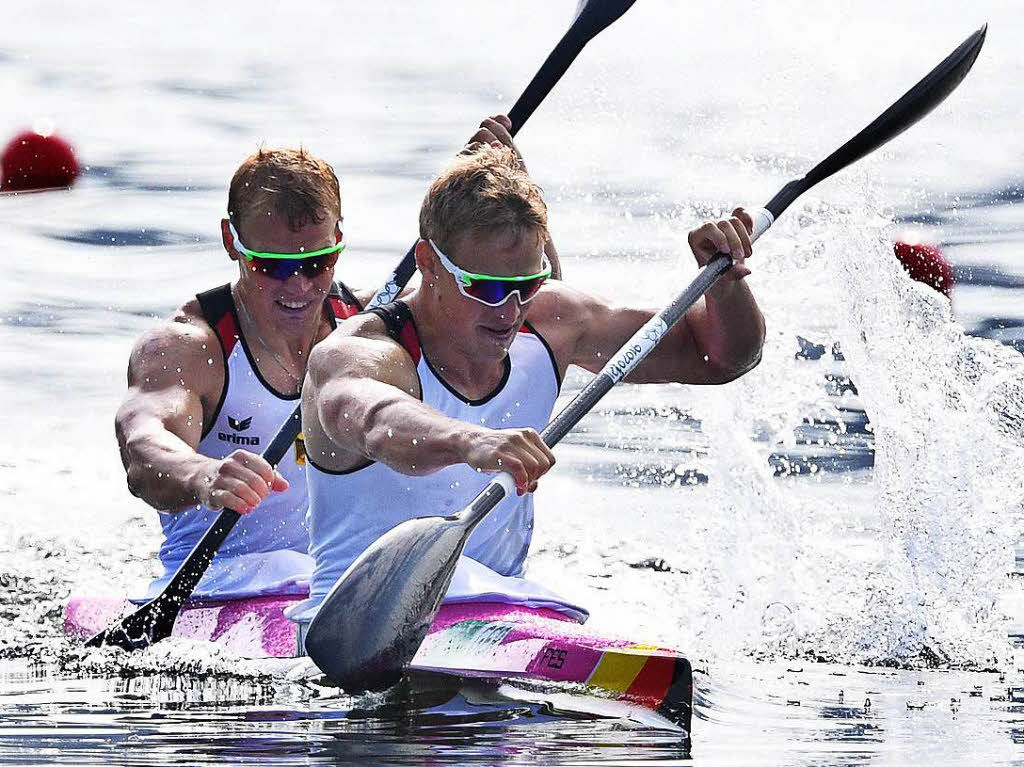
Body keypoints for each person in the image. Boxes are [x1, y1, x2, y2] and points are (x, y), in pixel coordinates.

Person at [294, 144, 765, 623]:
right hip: (352, 623)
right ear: (428, 263)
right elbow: (376, 422)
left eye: (529, 284)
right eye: (487, 287)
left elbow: (721, 358)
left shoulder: (553, 321)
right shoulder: (361, 352)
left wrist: (726, 283)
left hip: (502, 612)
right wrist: (471, 440)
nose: (510, 309)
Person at [115, 117, 558, 602]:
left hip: (336, 591)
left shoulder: (370, 326)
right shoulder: (191, 348)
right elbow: (144, 448)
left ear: (340, 238)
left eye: (317, 262)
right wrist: (202, 476)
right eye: (273, 266)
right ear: (230, 241)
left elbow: (517, 310)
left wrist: (509, 199)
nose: (299, 287)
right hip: (222, 588)